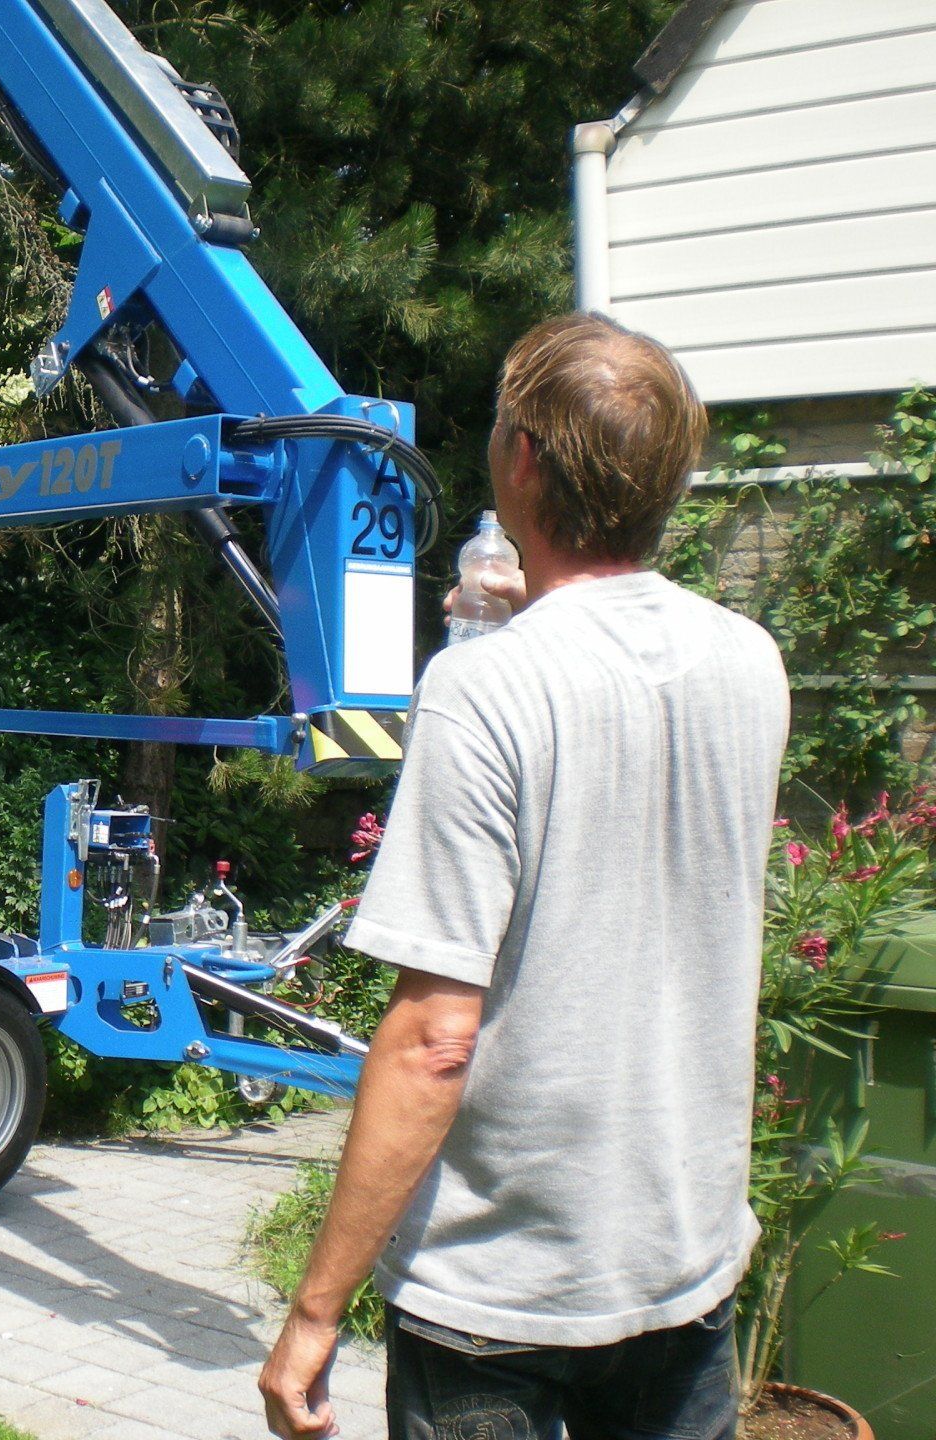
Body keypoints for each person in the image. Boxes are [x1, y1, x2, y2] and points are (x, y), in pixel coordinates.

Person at [259, 313, 788, 1439]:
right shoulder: (752, 662)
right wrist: (532, 624)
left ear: (523, 461)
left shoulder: (483, 691)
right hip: (682, 1266)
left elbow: (433, 1041)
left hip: (499, 1296)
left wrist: (314, 1312)